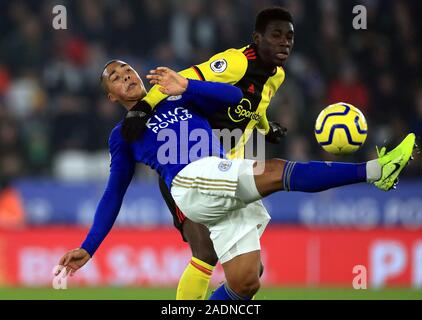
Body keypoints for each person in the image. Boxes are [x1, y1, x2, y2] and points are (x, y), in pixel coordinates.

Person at [56, 60, 416, 300]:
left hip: (217, 173)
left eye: (128, 70)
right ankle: (376, 171)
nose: (126, 77)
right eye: (116, 78)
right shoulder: (122, 134)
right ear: (110, 96)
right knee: (273, 170)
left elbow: (235, 98)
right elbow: (114, 193)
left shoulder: (179, 96)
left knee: (246, 281)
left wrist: (187, 85)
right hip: (191, 182)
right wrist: (89, 246)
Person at [121, 6, 294, 300]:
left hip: (227, 169)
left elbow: (254, 107)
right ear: (257, 38)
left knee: (250, 275)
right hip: (191, 168)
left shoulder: (277, 76)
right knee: (205, 254)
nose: (284, 42)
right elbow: (177, 80)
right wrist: (143, 108)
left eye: (289, 37)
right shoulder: (235, 62)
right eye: (276, 35)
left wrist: (266, 128)